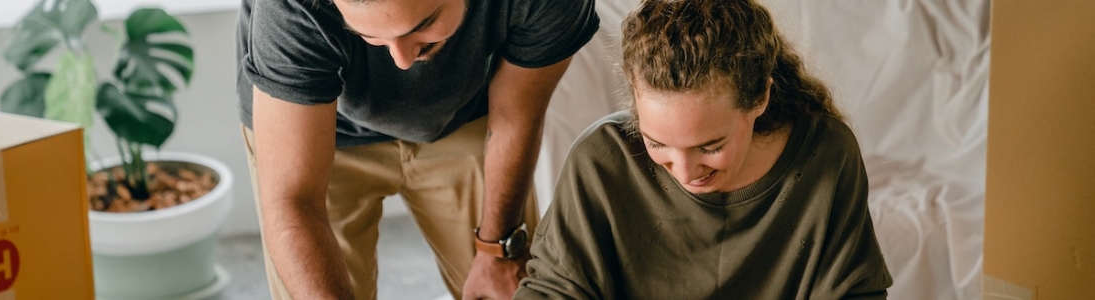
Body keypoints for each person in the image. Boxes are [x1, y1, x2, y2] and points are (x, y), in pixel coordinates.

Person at [514, 0, 892, 299]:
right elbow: (554, 289)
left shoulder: (826, 154)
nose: (684, 171)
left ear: (760, 97)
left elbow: (855, 291)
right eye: (657, 144)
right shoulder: (600, 162)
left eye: (710, 146)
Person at [234, 0, 599, 298]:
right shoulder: (287, 9)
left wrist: (497, 251)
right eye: (369, 36)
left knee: (508, 286)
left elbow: (516, 118)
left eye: (422, 25)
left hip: (466, 114)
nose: (402, 60)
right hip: (316, 129)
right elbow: (293, 199)